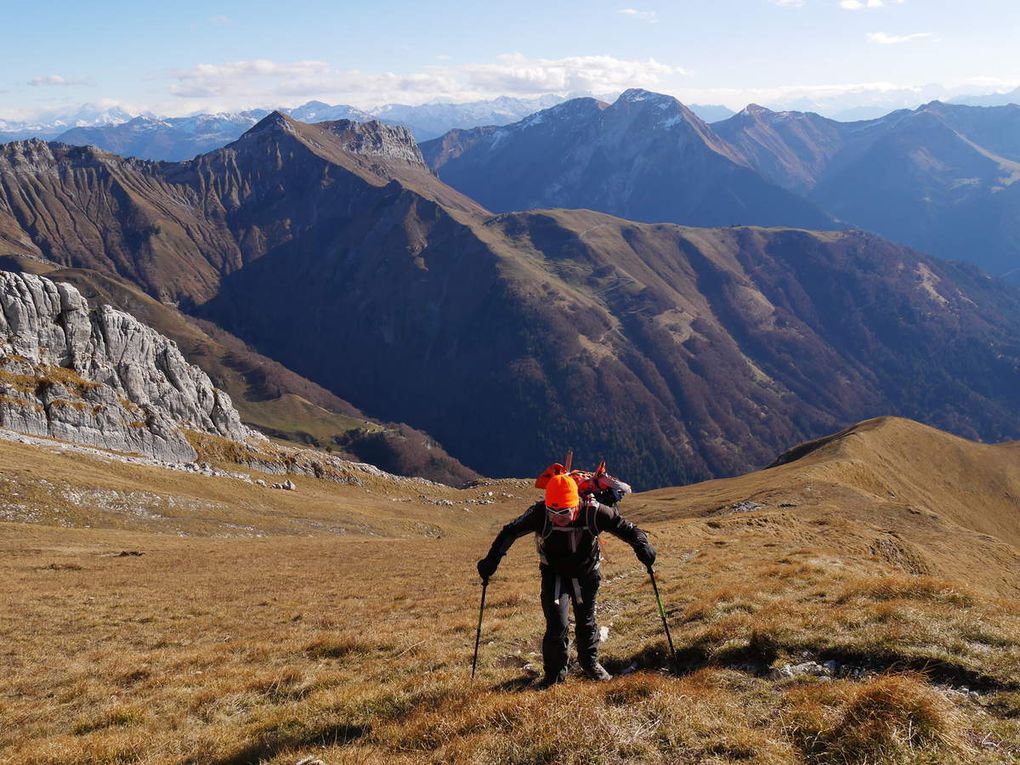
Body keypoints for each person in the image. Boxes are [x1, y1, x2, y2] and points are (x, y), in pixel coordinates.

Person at [476, 471, 656, 688]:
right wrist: (491, 561)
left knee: (586, 621)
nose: (557, 517)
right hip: (554, 575)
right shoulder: (540, 513)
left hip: (586, 574)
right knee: (556, 625)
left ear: (576, 504)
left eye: (564, 511)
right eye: (553, 511)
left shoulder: (594, 512)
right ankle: (554, 676)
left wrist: (642, 547)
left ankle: (589, 664)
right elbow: (510, 532)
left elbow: (627, 528)